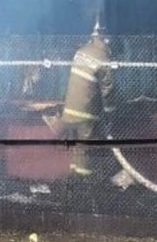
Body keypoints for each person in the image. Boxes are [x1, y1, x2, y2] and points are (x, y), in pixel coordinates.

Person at [43, 18, 116, 177]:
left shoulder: (81, 51)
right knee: (83, 149)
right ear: (106, 39)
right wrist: (111, 111)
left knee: (71, 140)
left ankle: (55, 126)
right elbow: (107, 89)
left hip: (69, 111)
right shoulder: (103, 57)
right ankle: (83, 181)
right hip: (86, 113)